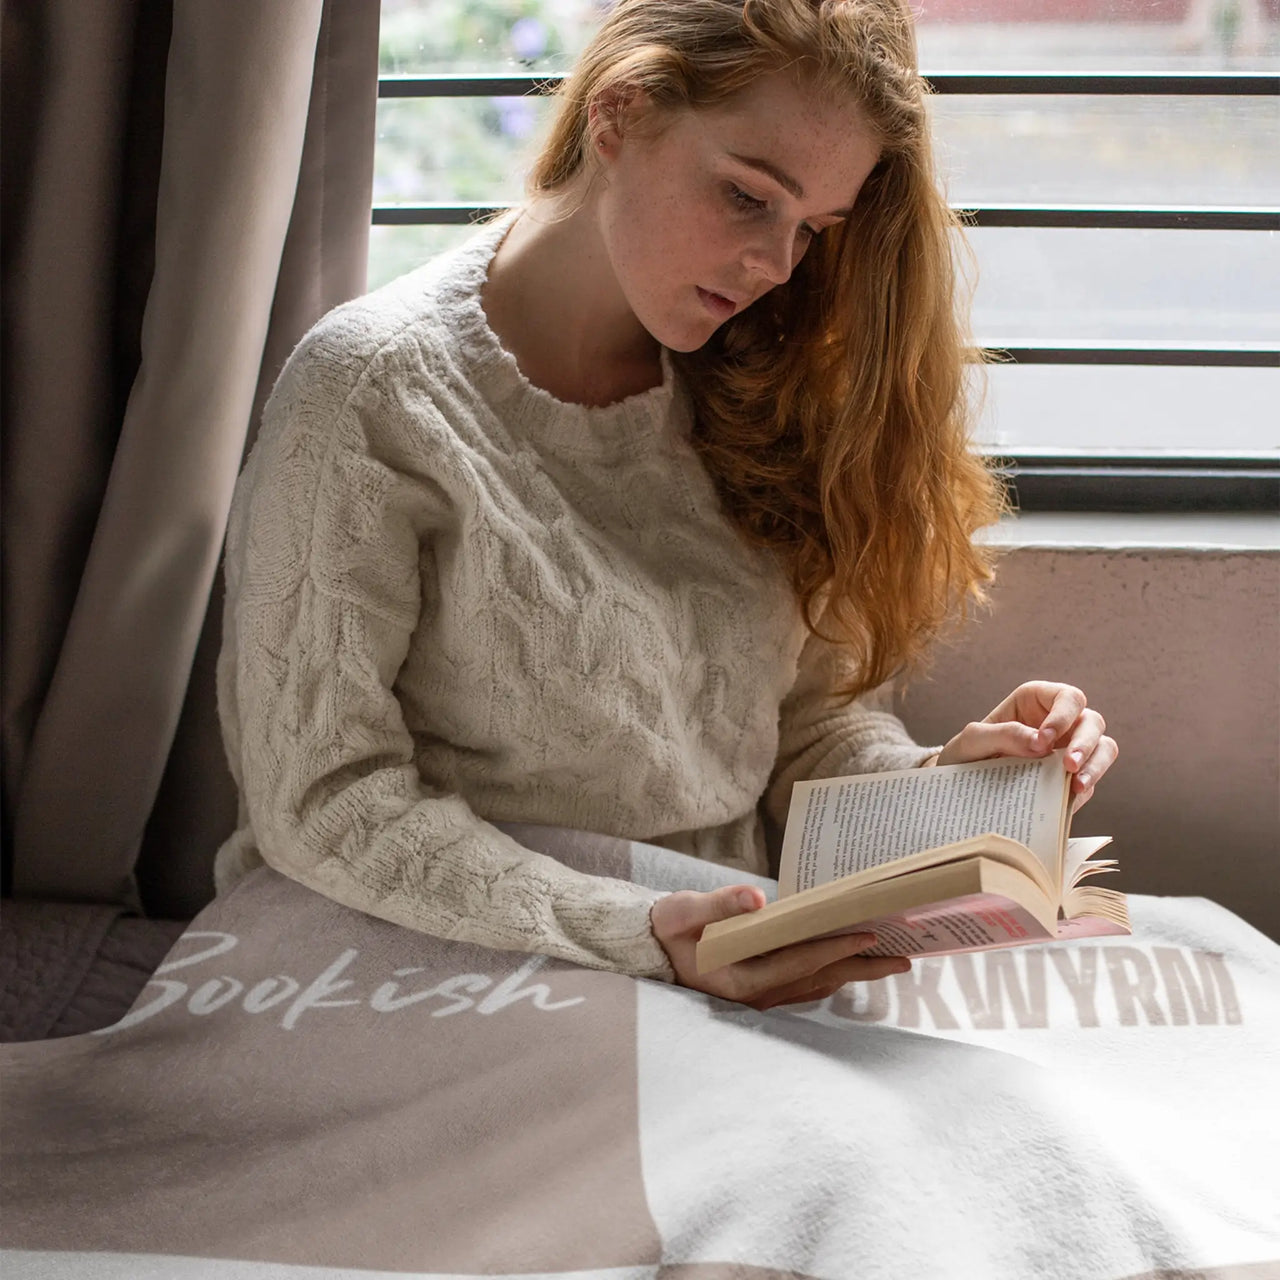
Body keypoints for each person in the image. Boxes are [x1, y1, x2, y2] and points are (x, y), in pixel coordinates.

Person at [213, 0, 1117, 1012]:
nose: (773, 265)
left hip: (718, 957)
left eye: (810, 230)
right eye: (744, 198)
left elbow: (799, 735)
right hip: (429, 966)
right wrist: (638, 935)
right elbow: (321, 799)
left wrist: (946, 787)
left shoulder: (756, 387)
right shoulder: (369, 394)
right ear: (617, 115)